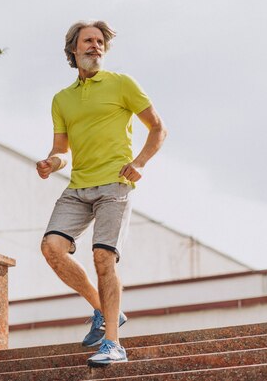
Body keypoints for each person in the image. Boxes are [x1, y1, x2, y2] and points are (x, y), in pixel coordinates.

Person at [36, 20, 167, 366]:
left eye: (99, 41)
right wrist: (52, 162)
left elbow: (158, 128)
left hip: (115, 184)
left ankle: (113, 344)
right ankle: (103, 310)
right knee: (52, 247)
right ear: (73, 50)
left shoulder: (122, 84)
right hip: (78, 186)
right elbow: (62, 149)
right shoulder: (61, 99)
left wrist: (140, 162)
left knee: (102, 257)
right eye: (88, 41)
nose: (95, 46)